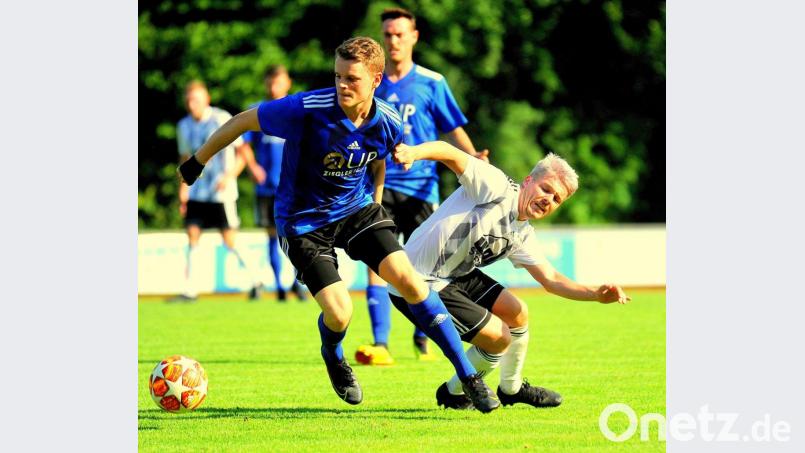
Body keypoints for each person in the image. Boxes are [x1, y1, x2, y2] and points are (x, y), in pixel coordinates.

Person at [177, 37, 500, 412]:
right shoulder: (306, 108)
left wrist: (376, 208)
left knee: (410, 279)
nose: (342, 85)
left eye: (352, 79)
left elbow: (378, 162)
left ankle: (468, 376)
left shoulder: (389, 123)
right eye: (338, 76)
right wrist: (198, 162)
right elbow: (243, 120)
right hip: (302, 224)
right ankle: (333, 353)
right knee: (340, 312)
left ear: (376, 80)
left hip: (355, 211)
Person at [389, 140, 630, 409]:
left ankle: (511, 389)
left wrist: (596, 294)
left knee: (517, 312)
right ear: (528, 181)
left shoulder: (523, 232)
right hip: (417, 281)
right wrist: (413, 153)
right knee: (499, 339)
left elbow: (551, 279)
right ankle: (453, 393)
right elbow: (449, 152)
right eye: (546, 188)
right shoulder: (496, 186)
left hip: (455, 275)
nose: (548, 199)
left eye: (556, 198)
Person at [355, 7, 489, 366]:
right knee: (375, 262)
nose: (393, 40)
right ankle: (380, 344)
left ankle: (423, 334)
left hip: (421, 190)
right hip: (377, 186)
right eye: (387, 35)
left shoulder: (432, 82)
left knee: (426, 269)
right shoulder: (370, 82)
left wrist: (473, 156)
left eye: (399, 34)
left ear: (414, 36)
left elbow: (451, 127)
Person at [170, 80, 262, 302]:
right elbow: (185, 159)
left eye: (197, 100)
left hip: (221, 192)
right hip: (197, 191)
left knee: (229, 239)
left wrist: (230, 176)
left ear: (206, 100)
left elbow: (242, 151)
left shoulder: (221, 118)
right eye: (189, 100)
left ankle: (255, 279)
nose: (193, 104)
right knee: (192, 235)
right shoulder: (183, 126)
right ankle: (190, 290)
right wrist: (182, 190)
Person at [240, 65, 308, 302]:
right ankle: (279, 286)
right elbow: (243, 143)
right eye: (269, 82)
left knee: (298, 235)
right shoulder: (257, 111)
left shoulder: (298, 109)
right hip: (267, 187)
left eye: (277, 82)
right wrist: (253, 166)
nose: (273, 86)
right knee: (271, 236)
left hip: (294, 187)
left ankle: (296, 282)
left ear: (287, 83)